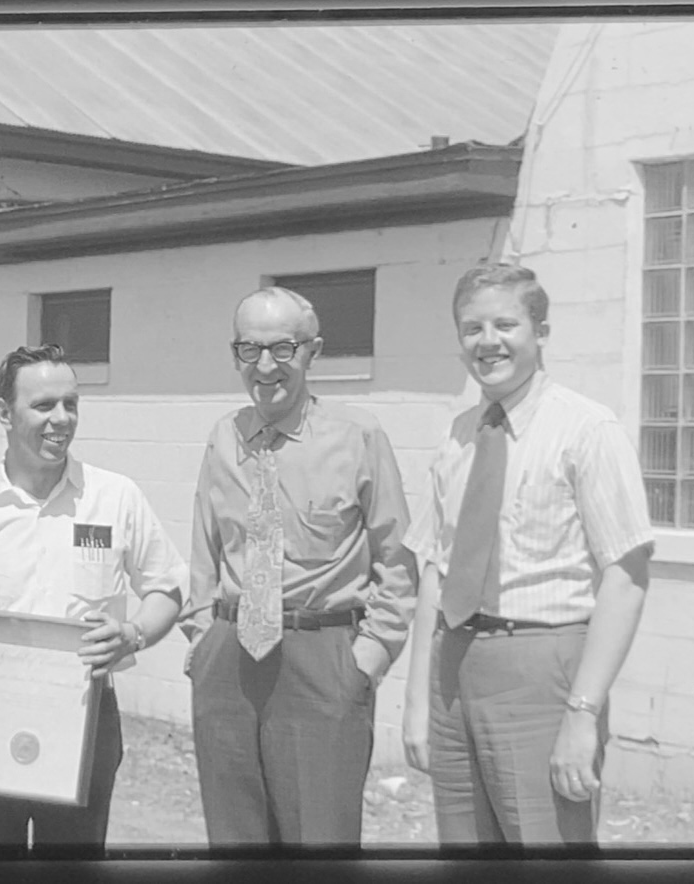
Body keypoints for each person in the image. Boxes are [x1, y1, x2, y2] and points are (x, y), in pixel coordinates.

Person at [0, 343, 186, 858]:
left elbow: (166, 589)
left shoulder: (115, 497)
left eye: (71, 404)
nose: (62, 419)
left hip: (87, 720)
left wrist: (134, 633)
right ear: (4, 414)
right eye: (44, 406)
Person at [400, 263, 654, 845]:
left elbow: (628, 576)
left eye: (505, 324)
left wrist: (582, 712)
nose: (488, 342)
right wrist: (418, 701)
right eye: (471, 329)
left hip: (542, 666)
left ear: (540, 331)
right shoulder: (459, 434)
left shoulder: (587, 429)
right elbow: (433, 572)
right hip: (453, 666)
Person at [180, 286, 417, 847]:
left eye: (283, 348)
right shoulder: (224, 437)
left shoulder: (359, 435)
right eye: (249, 349)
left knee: (320, 842)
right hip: (229, 659)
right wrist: (199, 638)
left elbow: (398, 558)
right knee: (234, 839)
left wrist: (369, 656)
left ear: (313, 352)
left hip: (322, 661)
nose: (265, 366)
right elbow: (204, 551)